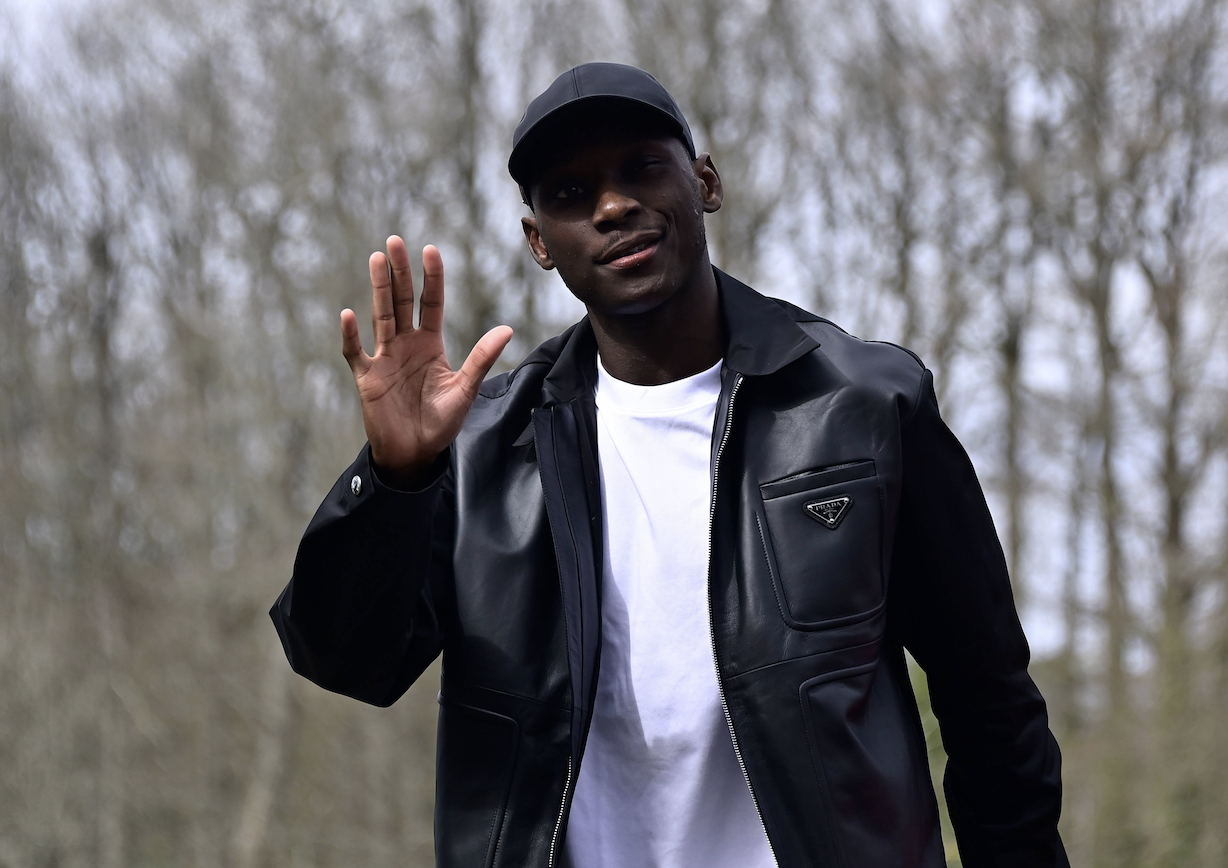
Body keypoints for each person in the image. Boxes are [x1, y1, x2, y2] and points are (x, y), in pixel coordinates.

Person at [271, 62, 1068, 868]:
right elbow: (345, 660)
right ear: (539, 242)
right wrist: (395, 478)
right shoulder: (481, 450)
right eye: (572, 192)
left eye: (642, 167)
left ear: (704, 181)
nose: (614, 206)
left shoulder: (862, 405)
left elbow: (989, 701)